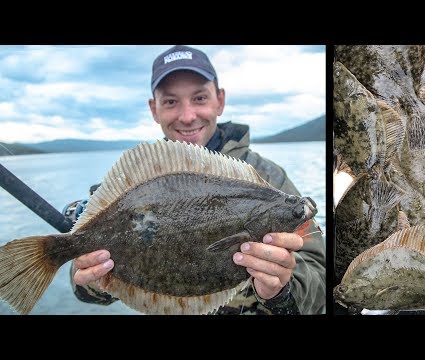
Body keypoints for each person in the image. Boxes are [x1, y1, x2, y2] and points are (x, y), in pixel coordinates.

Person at [66, 45, 326, 315]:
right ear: (154, 109)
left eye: (199, 98)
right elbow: (84, 288)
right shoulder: (130, 184)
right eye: (170, 101)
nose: (187, 116)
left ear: (220, 101)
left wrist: (281, 291)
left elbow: (320, 282)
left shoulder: (270, 178)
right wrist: (93, 279)